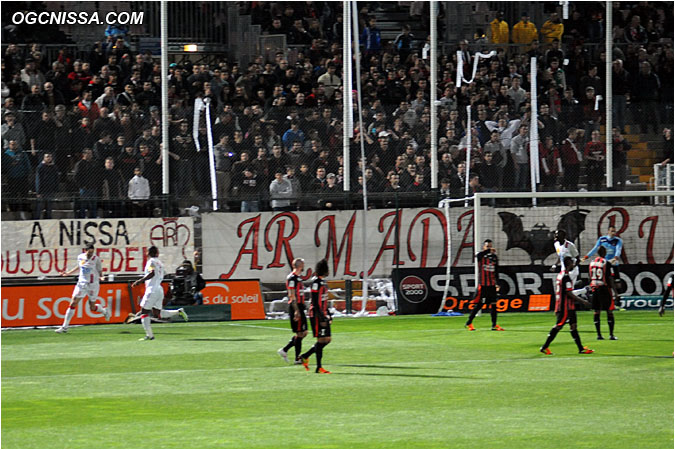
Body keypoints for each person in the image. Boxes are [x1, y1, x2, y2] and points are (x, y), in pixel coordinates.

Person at [540, 256, 594, 355]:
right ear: (568, 264)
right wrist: (583, 301)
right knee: (559, 326)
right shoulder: (566, 277)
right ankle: (544, 346)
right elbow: (569, 293)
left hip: (568, 305)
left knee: (573, 326)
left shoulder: (560, 275)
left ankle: (581, 348)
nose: (573, 265)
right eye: (572, 263)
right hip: (565, 306)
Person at [131, 246, 188, 340]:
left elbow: (152, 273)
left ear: (148, 253)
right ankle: (178, 312)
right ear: (157, 253)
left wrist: (140, 281)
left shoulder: (151, 262)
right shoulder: (160, 263)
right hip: (159, 289)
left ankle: (150, 336)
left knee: (144, 312)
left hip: (152, 289)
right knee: (158, 313)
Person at [55, 243, 111, 333]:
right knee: (73, 303)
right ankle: (64, 327)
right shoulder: (80, 257)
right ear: (85, 250)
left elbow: (100, 270)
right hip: (82, 284)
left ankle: (104, 311)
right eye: (89, 253)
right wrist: (68, 273)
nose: (90, 255)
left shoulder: (96, 259)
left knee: (92, 307)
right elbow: (79, 267)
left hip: (93, 284)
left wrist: (101, 277)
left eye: (92, 253)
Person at [299, 259, 332, 374]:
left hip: (322, 314)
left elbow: (323, 301)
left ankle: (305, 356)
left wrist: (328, 314)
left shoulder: (322, 282)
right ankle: (319, 367)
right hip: (317, 315)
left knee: (327, 339)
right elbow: (315, 301)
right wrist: (322, 316)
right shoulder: (316, 283)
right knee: (321, 339)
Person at [465, 240, 503, 331]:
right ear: (484, 247)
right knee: (479, 305)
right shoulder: (481, 255)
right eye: (487, 246)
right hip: (483, 285)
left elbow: (496, 271)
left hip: (492, 285)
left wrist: (497, 283)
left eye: (490, 246)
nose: (489, 248)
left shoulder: (494, 257)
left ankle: (494, 325)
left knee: (494, 305)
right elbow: (478, 256)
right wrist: (488, 251)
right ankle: (469, 323)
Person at [581, 225, 624, 305]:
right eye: (612, 231)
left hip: (613, 263)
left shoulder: (618, 240)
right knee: (606, 282)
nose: (613, 233)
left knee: (617, 283)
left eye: (614, 231)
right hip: (604, 264)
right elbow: (595, 248)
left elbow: (618, 250)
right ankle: (606, 301)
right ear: (608, 231)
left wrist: (615, 258)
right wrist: (586, 257)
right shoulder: (602, 239)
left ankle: (618, 302)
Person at [278, 258, 308, 365]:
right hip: (296, 307)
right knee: (300, 332)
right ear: (300, 266)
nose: (304, 266)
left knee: (303, 332)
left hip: (300, 306)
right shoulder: (292, 278)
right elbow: (291, 294)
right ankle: (297, 358)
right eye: (303, 264)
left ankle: (285, 350)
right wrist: (296, 310)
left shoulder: (298, 278)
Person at [588, 246, 618, 340]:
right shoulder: (606, 263)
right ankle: (611, 334)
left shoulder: (591, 263)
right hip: (604, 288)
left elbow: (590, 276)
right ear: (604, 253)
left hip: (594, 288)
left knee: (597, 311)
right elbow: (610, 278)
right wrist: (615, 292)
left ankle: (599, 335)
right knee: (609, 310)